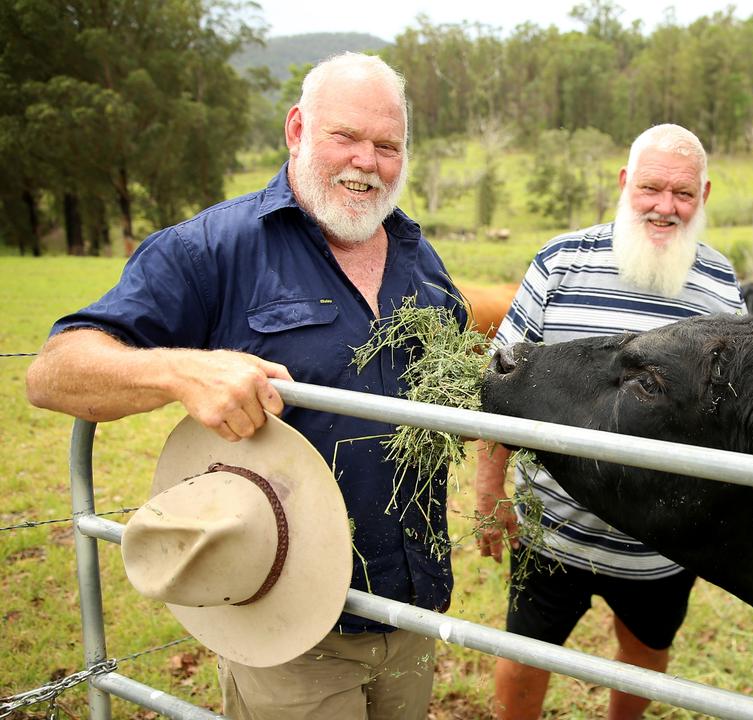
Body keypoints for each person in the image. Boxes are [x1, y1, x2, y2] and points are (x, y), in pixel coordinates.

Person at [25, 53, 465, 720]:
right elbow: (54, 370)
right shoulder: (213, 249)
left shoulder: (421, 261)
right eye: (345, 137)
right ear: (296, 129)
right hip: (287, 620)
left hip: (413, 611)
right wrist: (180, 370)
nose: (367, 163)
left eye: (387, 146)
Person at [475, 123, 745, 720]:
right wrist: (490, 488)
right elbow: (502, 382)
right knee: (523, 656)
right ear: (625, 183)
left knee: (646, 652)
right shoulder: (561, 260)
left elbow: (729, 419)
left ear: (705, 195)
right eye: (652, 188)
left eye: (683, 193)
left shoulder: (721, 288)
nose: (666, 207)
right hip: (552, 527)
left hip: (658, 543)